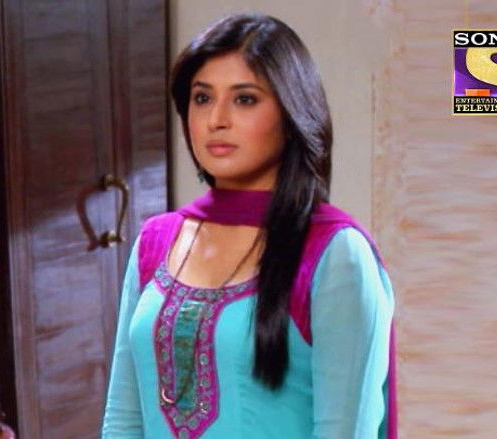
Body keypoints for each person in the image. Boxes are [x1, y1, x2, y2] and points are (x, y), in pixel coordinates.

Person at [102, 12, 397, 439]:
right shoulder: (156, 241)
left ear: (291, 114)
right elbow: (123, 419)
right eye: (202, 98)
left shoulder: (333, 253)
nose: (216, 119)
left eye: (244, 99)